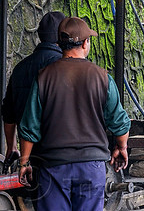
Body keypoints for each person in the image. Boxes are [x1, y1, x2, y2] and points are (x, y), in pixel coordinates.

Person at [18, 16, 131, 211]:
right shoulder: (102, 77)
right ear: (86, 43)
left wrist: (24, 162)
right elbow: (119, 123)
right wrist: (121, 147)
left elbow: (29, 127)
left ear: (59, 44)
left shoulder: (44, 77)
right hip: (91, 167)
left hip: (53, 167)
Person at [1, 11, 66, 170]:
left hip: (29, 155)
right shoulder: (64, 67)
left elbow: (8, 115)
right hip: (59, 154)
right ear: (62, 36)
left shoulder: (20, 69)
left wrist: (12, 147)